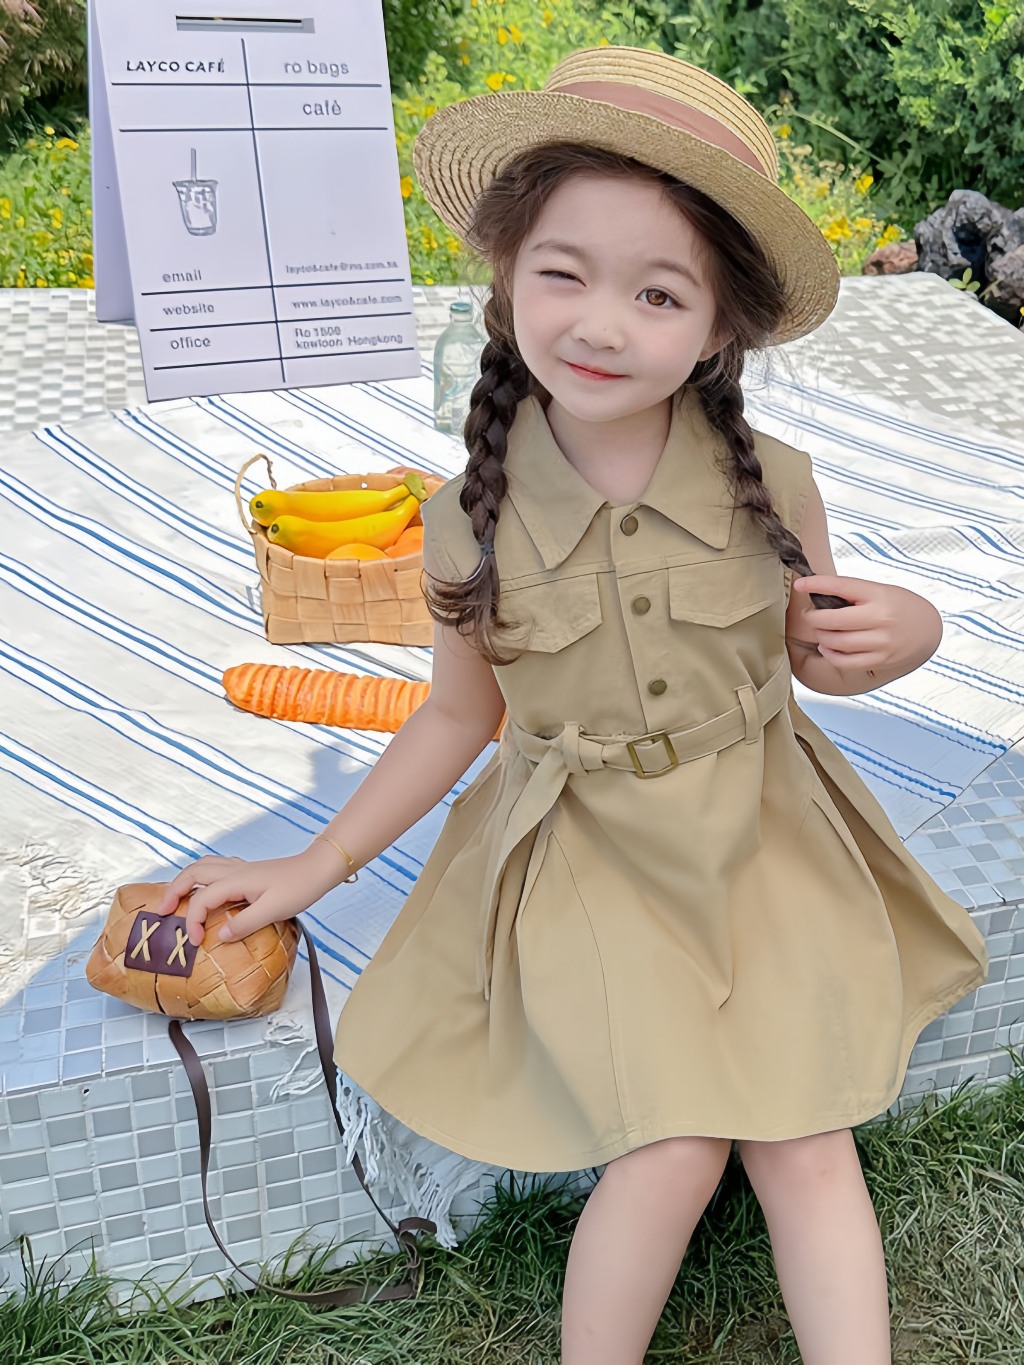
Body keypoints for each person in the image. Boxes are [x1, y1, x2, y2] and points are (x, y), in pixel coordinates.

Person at [156, 46, 988, 1365]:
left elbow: (823, 652)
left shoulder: (775, 480)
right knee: (674, 1145)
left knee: (806, 1137)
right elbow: (455, 718)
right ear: (505, 278)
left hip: (764, 837)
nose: (601, 324)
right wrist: (309, 866)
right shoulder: (464, 522)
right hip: (592, 853)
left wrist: (913, 629)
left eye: (657, 293)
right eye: (564, 273)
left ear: (720, 328)